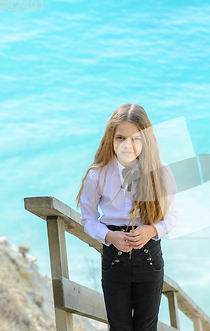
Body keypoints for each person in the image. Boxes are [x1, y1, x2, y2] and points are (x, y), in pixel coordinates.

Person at [75, 103, 178, 331]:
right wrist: (110, 236)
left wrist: (151, 230)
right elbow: (87, 219)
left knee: (146, 328)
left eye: (136, 138)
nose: (127, 145)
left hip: (150, 258)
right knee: (119, 327)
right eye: (120, 137)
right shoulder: (97, 174)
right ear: (110, 138)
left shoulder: (161, 172)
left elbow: (171, 216)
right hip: (114, 260)